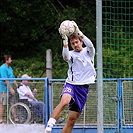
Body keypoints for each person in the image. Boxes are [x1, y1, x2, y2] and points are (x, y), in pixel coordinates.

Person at [45, 21, 96, 133]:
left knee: (72, 120)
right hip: (71, 84)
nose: (75, 45)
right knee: (65, 101)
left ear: (81, 42)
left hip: (83, 88)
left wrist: (78, 32)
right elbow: (65, 56)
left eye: (76, 42)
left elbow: (90, 44)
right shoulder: (71, 54)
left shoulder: (89, 52)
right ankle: (49, 125)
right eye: (72, 43)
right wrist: (65, 41)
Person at [0, 55, 18, 124]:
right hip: (4, 89)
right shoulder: (2, 68)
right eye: (10, 59)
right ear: (6, 60)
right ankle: (0, 119)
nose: (11, 60)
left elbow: (13, 78)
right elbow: (5, 79)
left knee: (13, 103)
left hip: (10, 89)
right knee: (3, 104)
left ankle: (16, 118)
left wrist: (17, 86)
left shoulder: (10, 68)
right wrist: (10, 88)